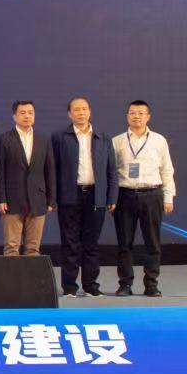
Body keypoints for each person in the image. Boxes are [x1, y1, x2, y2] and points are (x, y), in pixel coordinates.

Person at [51, 97, 118, 297]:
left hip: (96, 196)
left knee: (91, 243)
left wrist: (111, 197)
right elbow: (53, 170)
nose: (81, 112)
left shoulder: (103, 138)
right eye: (77, 109)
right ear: (69, 114)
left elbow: (112, 171)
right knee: (70, 243)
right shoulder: (60, 137)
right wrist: (53, 198)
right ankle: (69, 287)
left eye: (84, 109)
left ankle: (91, 286)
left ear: (90, 112)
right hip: (69, 196)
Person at [113, 100, 176, 297]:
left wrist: (168, 197)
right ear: (127, 116)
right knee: (124, 243)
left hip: (152, 195)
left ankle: (151, 284)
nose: (136, 116)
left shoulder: (159, 140)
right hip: (125, 195)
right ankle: (125, 284)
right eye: (133, 112)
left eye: (141, 113)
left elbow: (167, 170)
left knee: (152, 243)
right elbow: (111, 173)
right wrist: (110, 199)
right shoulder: (117, 141)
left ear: (148, 116)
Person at [0, 101, 56, 257]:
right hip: (11, 201)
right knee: (11, 247)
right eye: (22, 113)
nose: (27, 116)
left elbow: (50, 171)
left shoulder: (43, 140)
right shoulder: (3, 139)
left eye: (30, 112)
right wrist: (1, 199)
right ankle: (12, 275)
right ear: (14, 116)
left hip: (38, 200)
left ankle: (31, 275)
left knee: (33, 249)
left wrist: (51, 200)